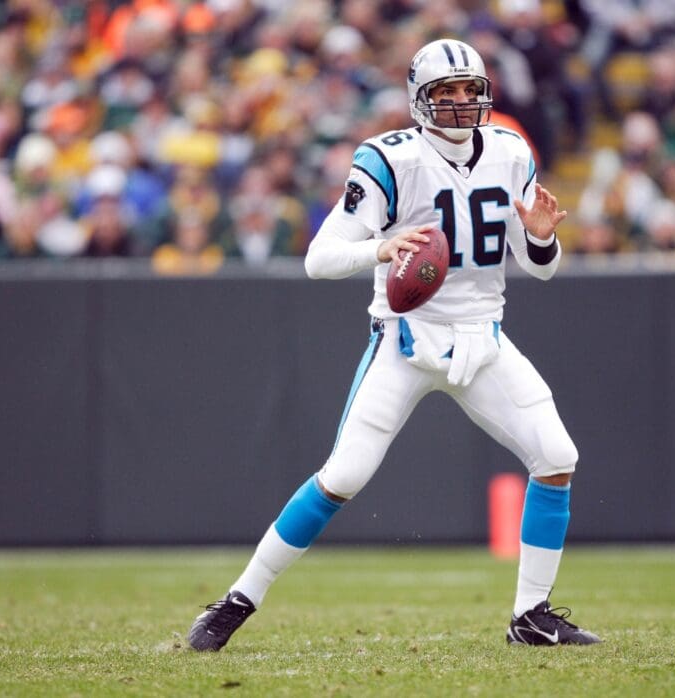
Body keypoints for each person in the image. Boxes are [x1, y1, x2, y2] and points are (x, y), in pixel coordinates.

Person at [187, 38, 600, 651]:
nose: (461, 104)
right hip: (406, 340)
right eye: (446, 93)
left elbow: (539, 266)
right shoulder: (388, 158)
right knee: (344, 475)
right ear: (418, 100)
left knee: (556, 456)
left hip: (483, 338)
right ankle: (236, 601)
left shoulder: (511, 151)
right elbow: (319, 259)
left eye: (470, 91)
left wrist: (540, 240)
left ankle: (530, 615)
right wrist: (377, 248)